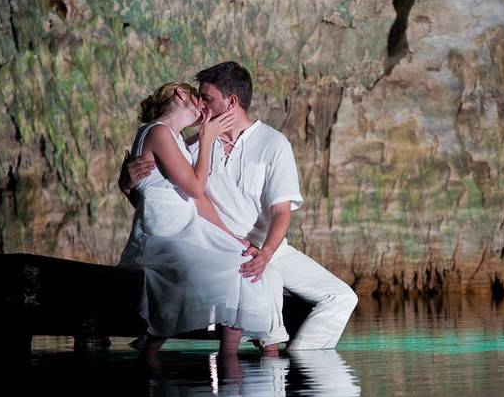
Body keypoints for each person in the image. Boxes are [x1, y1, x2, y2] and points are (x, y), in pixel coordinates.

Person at [121, 62, 357, 351]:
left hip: (266, 246)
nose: (201, 105)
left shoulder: (273, 143)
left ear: (231, 102)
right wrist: (127, 183)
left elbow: (282, 212)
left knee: (342, 296)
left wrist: (266, 253)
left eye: (206, 98)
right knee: (253, 291)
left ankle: (303, 360)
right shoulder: (191, 146)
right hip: (213, 244)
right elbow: (160, 197)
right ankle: (257, 349)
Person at [119, 81, 287, 357]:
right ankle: (155, 352)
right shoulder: (159, 132)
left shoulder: (175, 139)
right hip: (164, 233)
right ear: (181, 95)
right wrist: (207, 138)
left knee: (242, 259)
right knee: (229, 270)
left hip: (184, 226)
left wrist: (231, 236)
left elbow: (196, 201)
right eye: (198, 97)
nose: (204, 107)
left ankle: (236, 355)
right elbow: (196, 188)